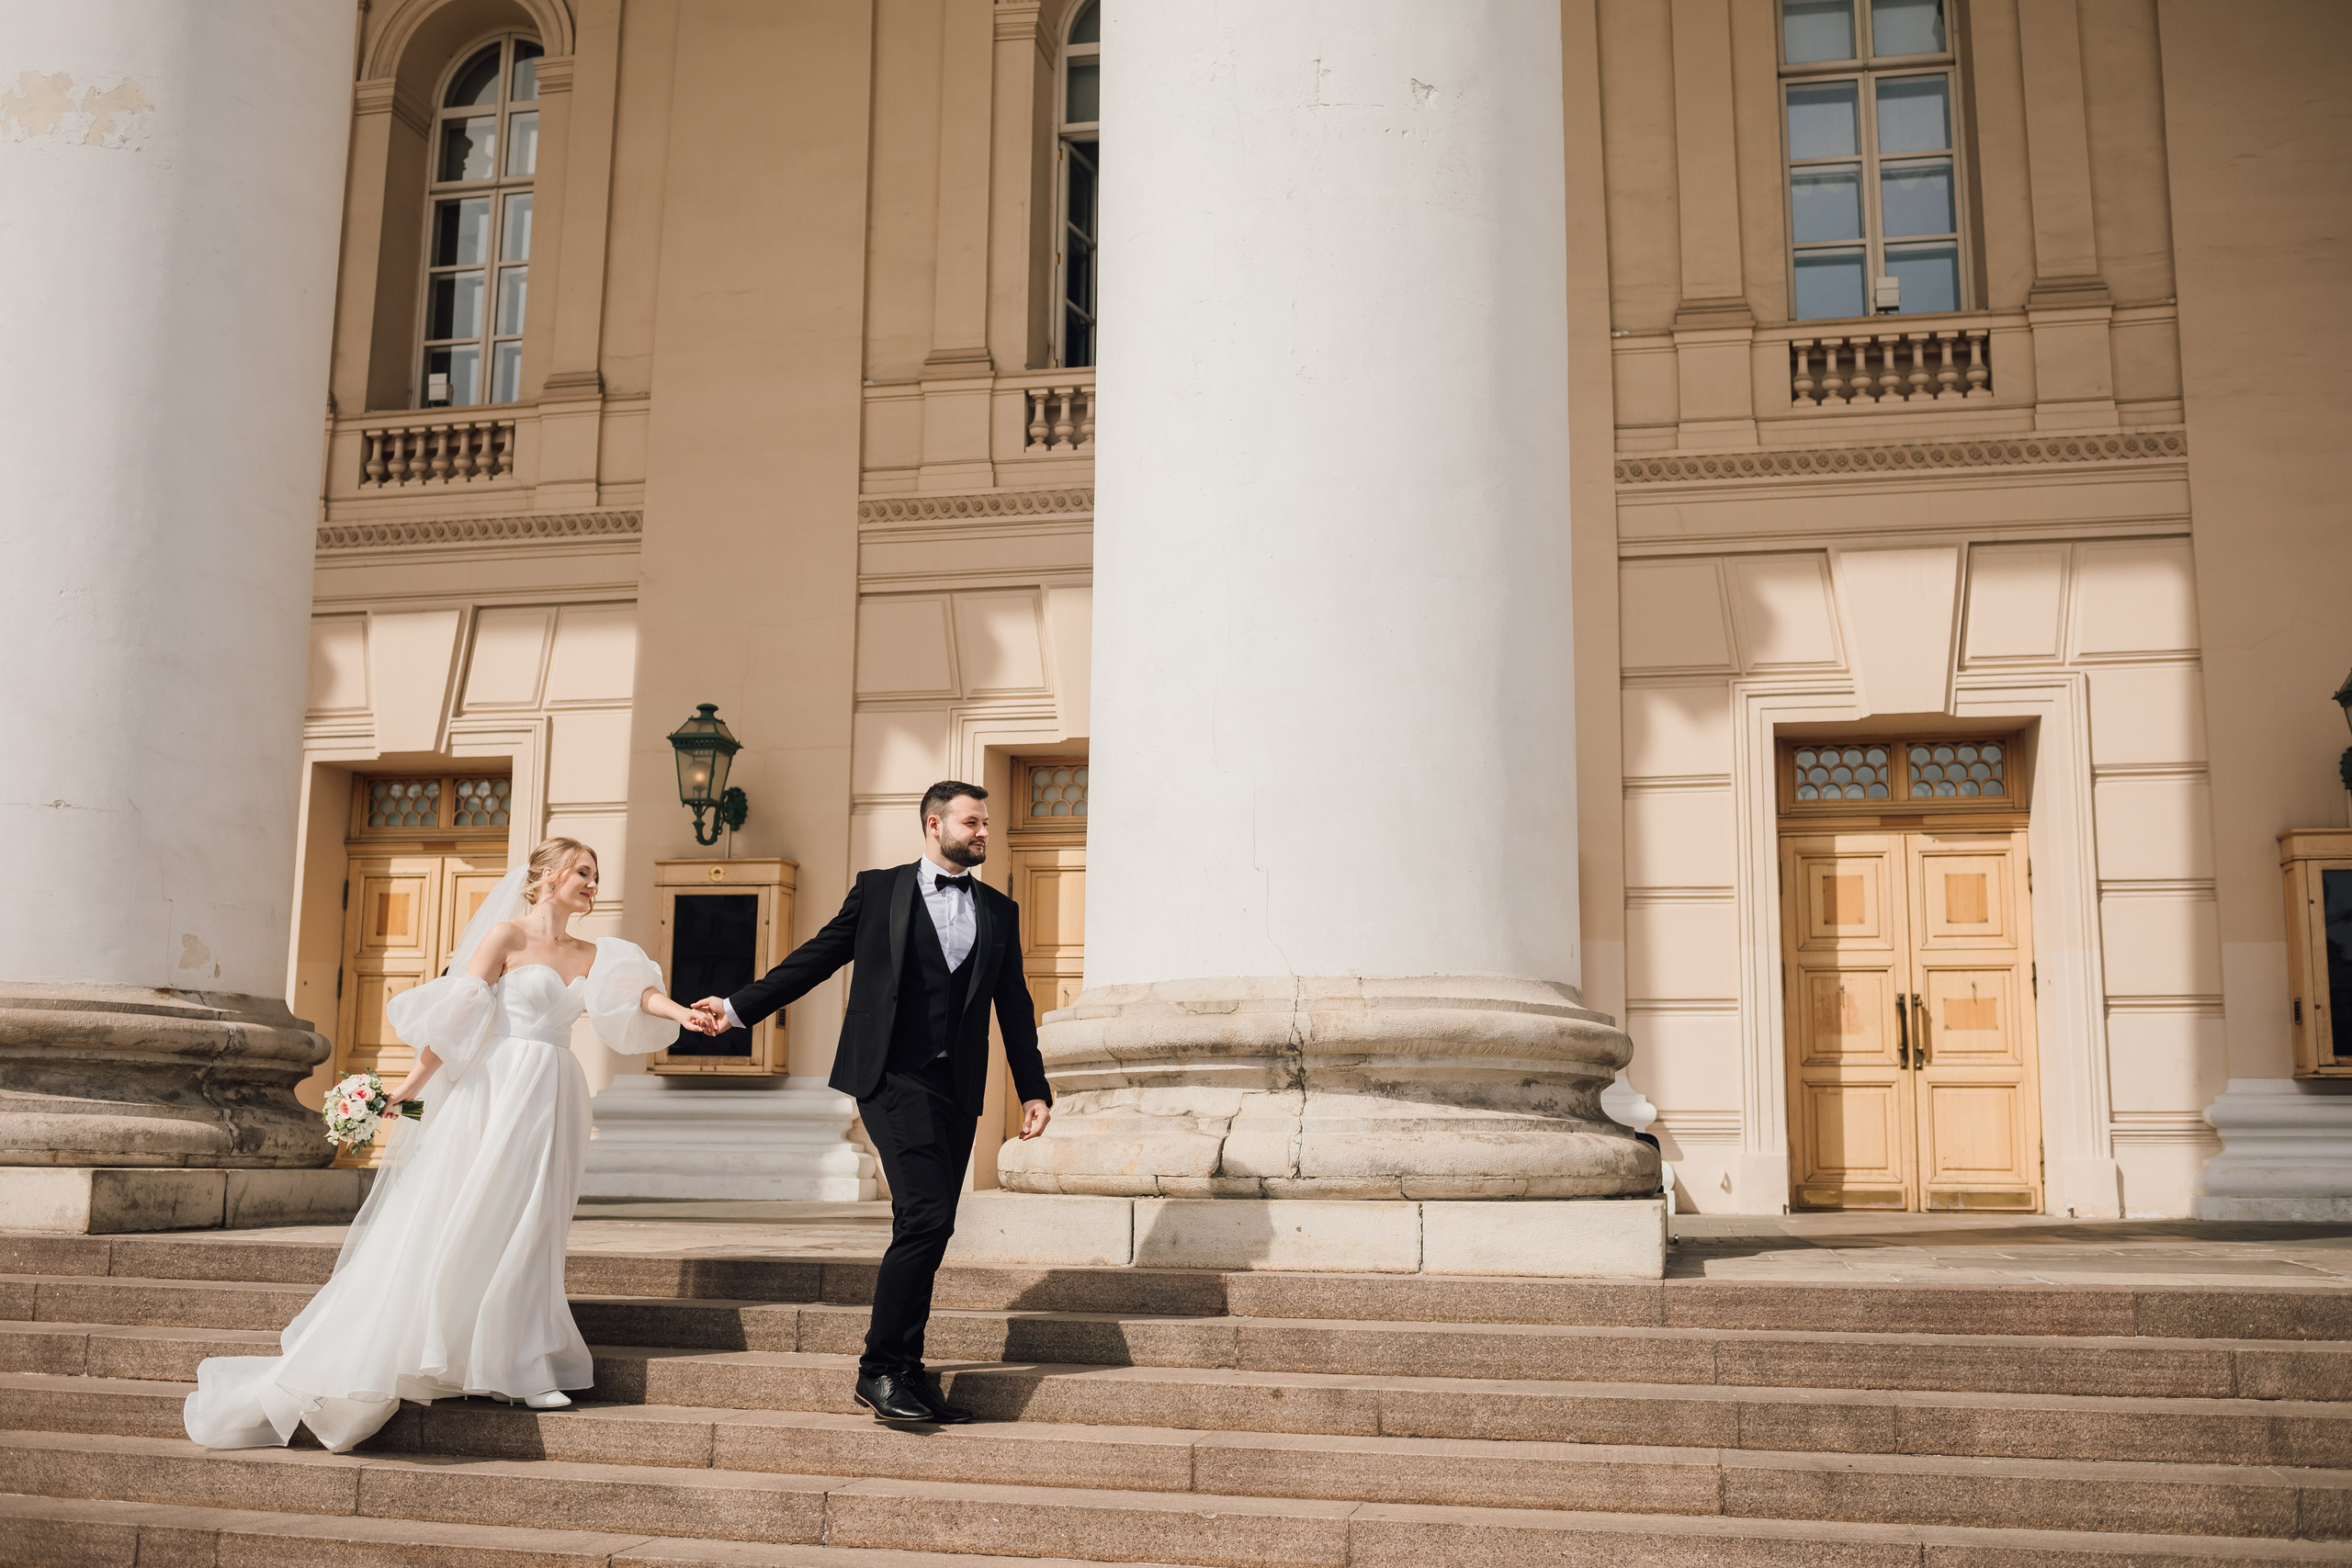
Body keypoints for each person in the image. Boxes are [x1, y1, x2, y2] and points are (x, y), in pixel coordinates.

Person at [183, 837, 718, 1452]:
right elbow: (460, 1016)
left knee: (537, 1223)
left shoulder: (594, 952)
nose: (592, 884)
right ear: (547, 876)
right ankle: (469, 1355)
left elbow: (632, 995)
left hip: (558, 1094)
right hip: (501, 1090)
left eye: (596, 876)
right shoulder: (507, 938)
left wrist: (683, 1014)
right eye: (583, 872)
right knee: (479, 1216)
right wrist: (408, 1087)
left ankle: (518, 1360)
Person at [695, 780, 1051, 1425]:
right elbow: (816, 958)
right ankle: (879, 1368)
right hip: (890, 1076)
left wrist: (1033, 1087)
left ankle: (906, 1369)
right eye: (972, 822)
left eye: (987, 824)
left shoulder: (999, 910)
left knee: (931, 1225)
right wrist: (738, 1007)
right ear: (933, 824)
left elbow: (1015, 1005)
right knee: (925, 1215)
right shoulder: (879, 889)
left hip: (957, 1085)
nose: (984, 834)